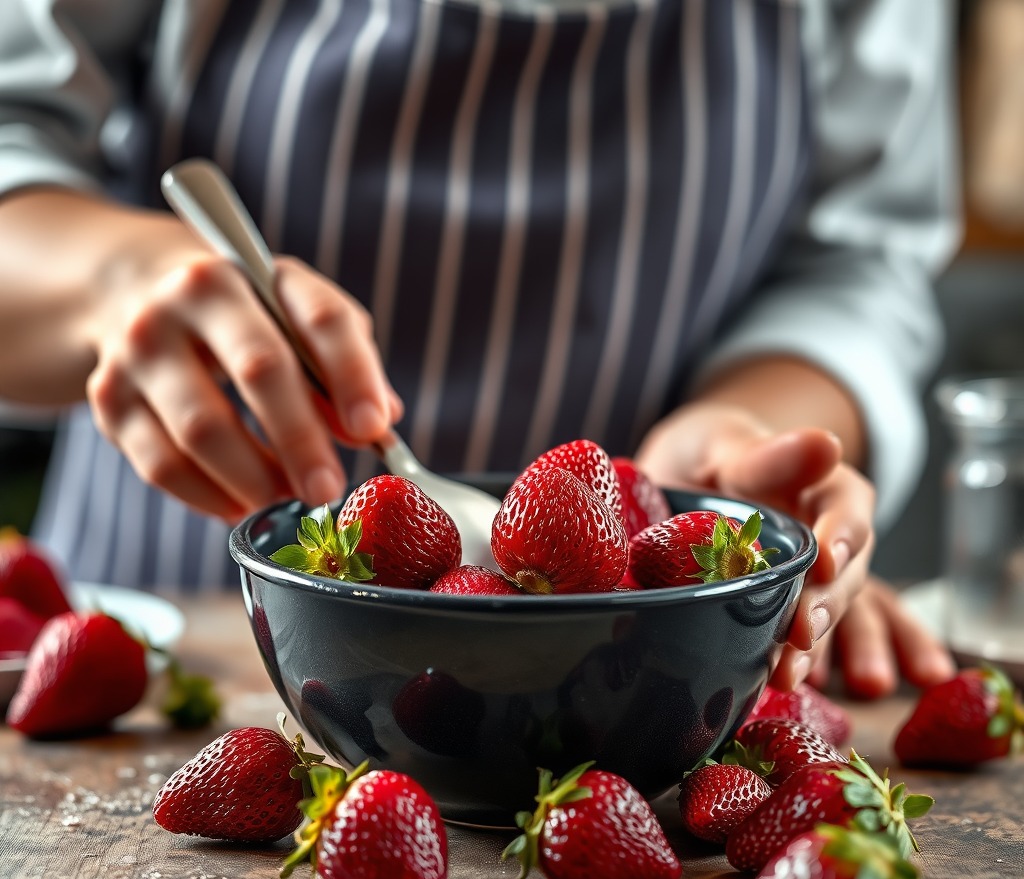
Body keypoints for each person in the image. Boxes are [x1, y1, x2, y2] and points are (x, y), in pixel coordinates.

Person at [0, 0, 959, 698]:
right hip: (158, 663)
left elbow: (854, 262)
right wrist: (114, 277)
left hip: (629, 675)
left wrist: (742, 432)